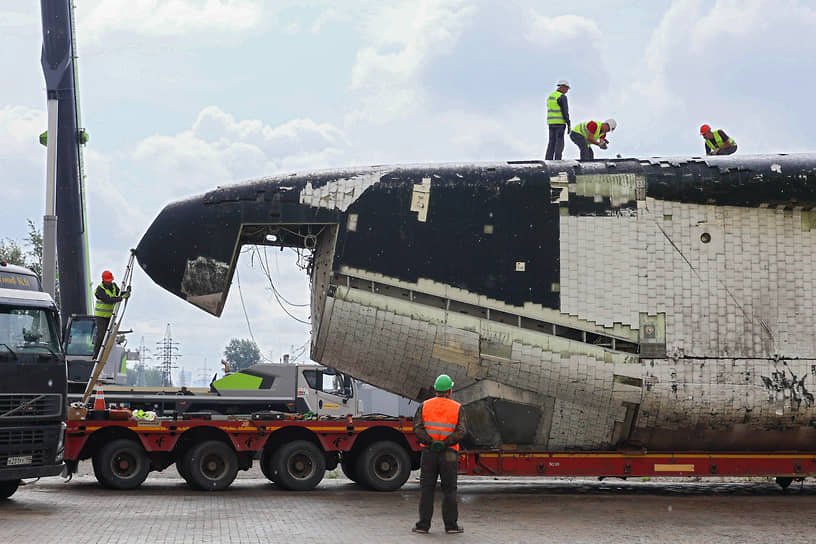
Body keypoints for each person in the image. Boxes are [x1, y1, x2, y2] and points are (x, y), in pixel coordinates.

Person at [412, 374, 467, 535]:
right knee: (449, 489)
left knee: (427, 488)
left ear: (435, 390)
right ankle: (451, 526)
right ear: (450, 391)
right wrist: (445, 443)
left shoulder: (424, 405)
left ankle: (423, 526)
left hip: (429, 452)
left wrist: (431, 442)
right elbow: (461, 431)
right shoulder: (457, 407)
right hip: (449, 453)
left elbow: (417, 428)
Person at [92, 270, 129, 359]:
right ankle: (96, 354)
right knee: (101, 334)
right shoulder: (99, 290)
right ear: (103, 280)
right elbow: (108, 300)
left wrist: (126, 292)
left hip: (110, 316)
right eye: (108, 281)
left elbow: (119, 294)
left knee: (108, 336)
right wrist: (120, 298)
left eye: (110, 281)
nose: (109, 282)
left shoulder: (113, 286)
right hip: (100, 316)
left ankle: (105, 354)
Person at [545, 80, 571, 160]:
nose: (567, 91)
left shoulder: (551, 96)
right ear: (563, 87)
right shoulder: (562, 97)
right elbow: (565, 111)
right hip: (559, 123)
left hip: (551, 123)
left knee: (551, 143)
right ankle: (557, 161)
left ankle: (548, 160)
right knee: (559, 143)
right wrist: (568, 123)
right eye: (566, 89)